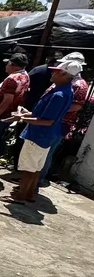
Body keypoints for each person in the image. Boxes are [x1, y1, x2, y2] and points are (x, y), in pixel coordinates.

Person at [0, 60, 79, 204]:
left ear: (63, 74)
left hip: (38, 135)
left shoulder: (59, 94)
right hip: (46, 135)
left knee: (29, 168)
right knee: (36, 167)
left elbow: (47, 121)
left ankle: (20, 196)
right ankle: (28, 194)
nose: (52, 73)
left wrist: (21, 118)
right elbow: (43, 115)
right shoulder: (64, 91)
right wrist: (25, 114)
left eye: (56, 71)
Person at [39, 51, 88, 187]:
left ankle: (36, 180)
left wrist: (55, 110)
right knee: (40, 151)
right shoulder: (65, 80)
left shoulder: (79, 85)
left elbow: (76, 106)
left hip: (59, 123)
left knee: (46, 152)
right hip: (49, 119)